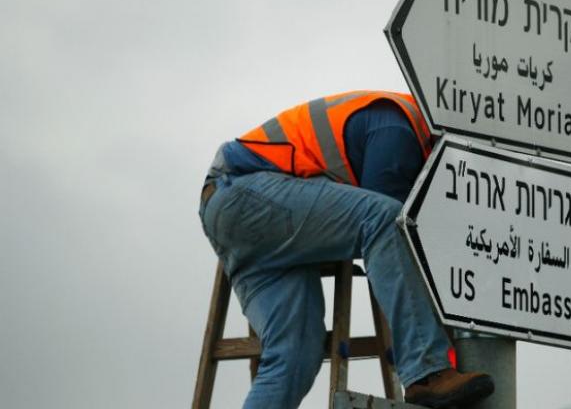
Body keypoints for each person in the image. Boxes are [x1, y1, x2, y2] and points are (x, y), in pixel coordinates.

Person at [198, 90, 494, 408]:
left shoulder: (411, 145)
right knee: (384, 219)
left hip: (239, 220)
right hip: (242, 190)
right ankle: (427, 370)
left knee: (295, 354)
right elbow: (389, 233)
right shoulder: (400, 126)